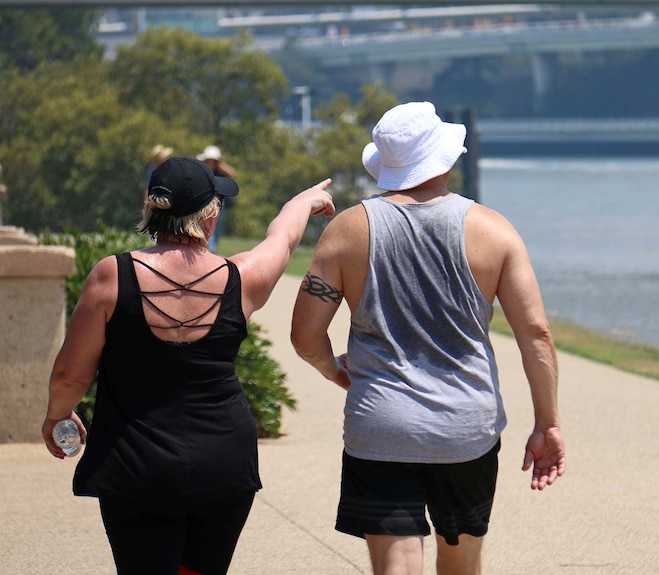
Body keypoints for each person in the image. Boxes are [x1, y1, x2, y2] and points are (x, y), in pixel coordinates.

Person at [290, 101, 565, 575]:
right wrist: (547, 423)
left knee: (396, 565)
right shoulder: (493, 230)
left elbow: (304, 334)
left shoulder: (349, 229)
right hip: (466, 430)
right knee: (461, 562)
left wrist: (333, 368)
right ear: (447, 157)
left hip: (381, 425)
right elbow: (535, 334)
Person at [42, 156, 334, 575]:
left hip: (136, 466)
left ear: (151, 210)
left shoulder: (111, 277)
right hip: (224, 464)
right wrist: (303, 203)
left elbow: (71, 374)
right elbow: (281, 241)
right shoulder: (241, 278)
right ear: (210, 219)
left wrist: (57, 416)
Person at [197, 145, 238, 252]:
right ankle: (210, 249)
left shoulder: (221, 172)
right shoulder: (203, 170)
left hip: (221, 206)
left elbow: (233, 173)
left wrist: (220, 164)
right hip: (206, 204)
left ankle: (212, 249)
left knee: (217, 229)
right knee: (208, 228)